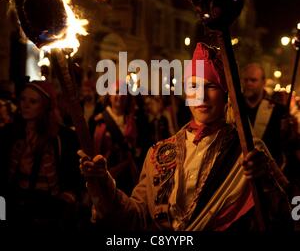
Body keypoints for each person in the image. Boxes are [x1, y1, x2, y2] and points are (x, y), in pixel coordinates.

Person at [79, 43, 292, 231]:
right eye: (193, 86)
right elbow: (136, 217)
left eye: (210, 86)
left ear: (226, 93)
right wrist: (102, 183)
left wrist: (265, 179)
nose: (200, 95)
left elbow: (291, 211)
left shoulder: (249, 150)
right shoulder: (159, 153)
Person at [1, 80, 82, 231]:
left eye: (33, 101)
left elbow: (73, 177)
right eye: (23, 99)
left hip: (48, 211)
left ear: (45, 105)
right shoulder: (10, 134)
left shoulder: (63, 138)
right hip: (16, 209)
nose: (25, 105)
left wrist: (66, 200)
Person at [241, 63, 289, 167]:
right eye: (246, 80)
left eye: (253, 80)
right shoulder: (234, 109)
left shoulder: (278, 110)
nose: (248, 83)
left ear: (263, 82)